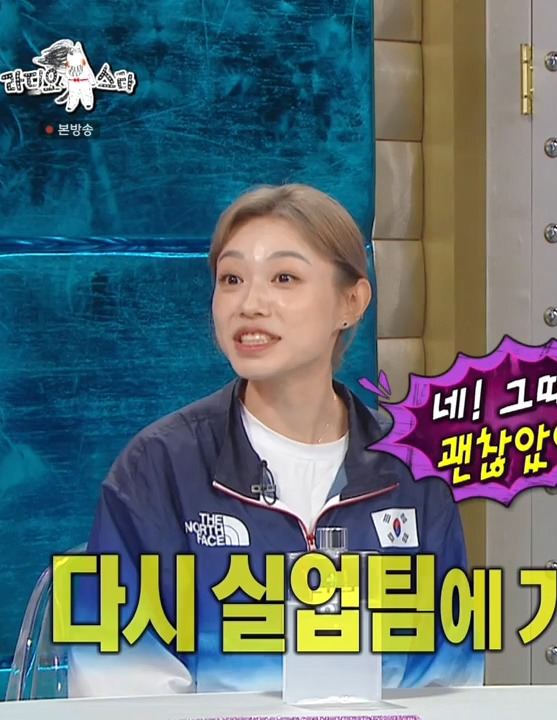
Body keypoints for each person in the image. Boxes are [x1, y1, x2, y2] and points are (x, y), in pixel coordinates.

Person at [66, 184, 483, 696]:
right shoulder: (159, 468)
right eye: (231, 279)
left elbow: (447, 679)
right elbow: (119, 688)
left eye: (284, 277)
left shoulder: (413, 471)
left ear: (351, 301)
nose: (250, 304)